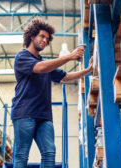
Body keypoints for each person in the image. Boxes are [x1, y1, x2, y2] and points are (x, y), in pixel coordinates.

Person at [11, 18, 93, 168]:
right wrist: (69, 56)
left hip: (44, 116)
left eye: (47, 39)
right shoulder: (22, 57)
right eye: (42, 36)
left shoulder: (45, 64)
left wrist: (87, 71)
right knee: (22, 155)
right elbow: (40, 68)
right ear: (32, 36)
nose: (44, 40)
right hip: (24, 113)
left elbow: (65, 77)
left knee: (49, 153)